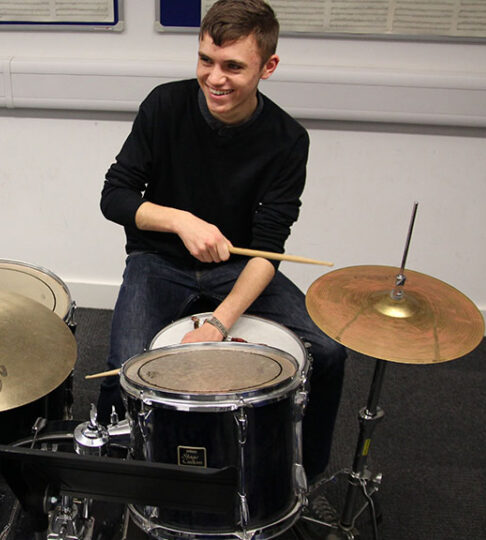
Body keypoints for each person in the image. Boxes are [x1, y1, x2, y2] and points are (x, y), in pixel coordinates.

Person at [96, 0, 347, 482]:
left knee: (330, 353)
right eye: (205, 60)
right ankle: (116, 472)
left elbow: (269, 250)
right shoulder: (164, 106)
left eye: (233, 66)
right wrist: (181, 221)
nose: (214, 78)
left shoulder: (287, 140)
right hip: (157, 261)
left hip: (239, 267)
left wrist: (217, 323)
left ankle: (305, 477)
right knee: (125, 367)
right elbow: (115, 197)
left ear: (268, 67)